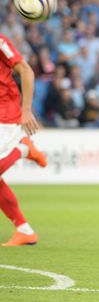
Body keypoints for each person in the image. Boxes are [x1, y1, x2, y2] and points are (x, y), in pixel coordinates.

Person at [0, 34, 47, 246]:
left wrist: (26, 110)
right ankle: (24, 229)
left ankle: (24, 148)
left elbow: (26, 70)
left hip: (5, 113)